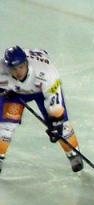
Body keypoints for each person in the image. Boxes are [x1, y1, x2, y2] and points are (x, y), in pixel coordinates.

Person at [0, 46, 83, 174]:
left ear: (26, 63)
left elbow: (55, 103)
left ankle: (73, 153)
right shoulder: (2, 71)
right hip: (15, 93)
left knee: (62, 126)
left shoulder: (47, 74)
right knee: (6, 126)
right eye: (14, 69)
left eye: (21, 67)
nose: (18, 72)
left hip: (41, 91)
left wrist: (56, 123)